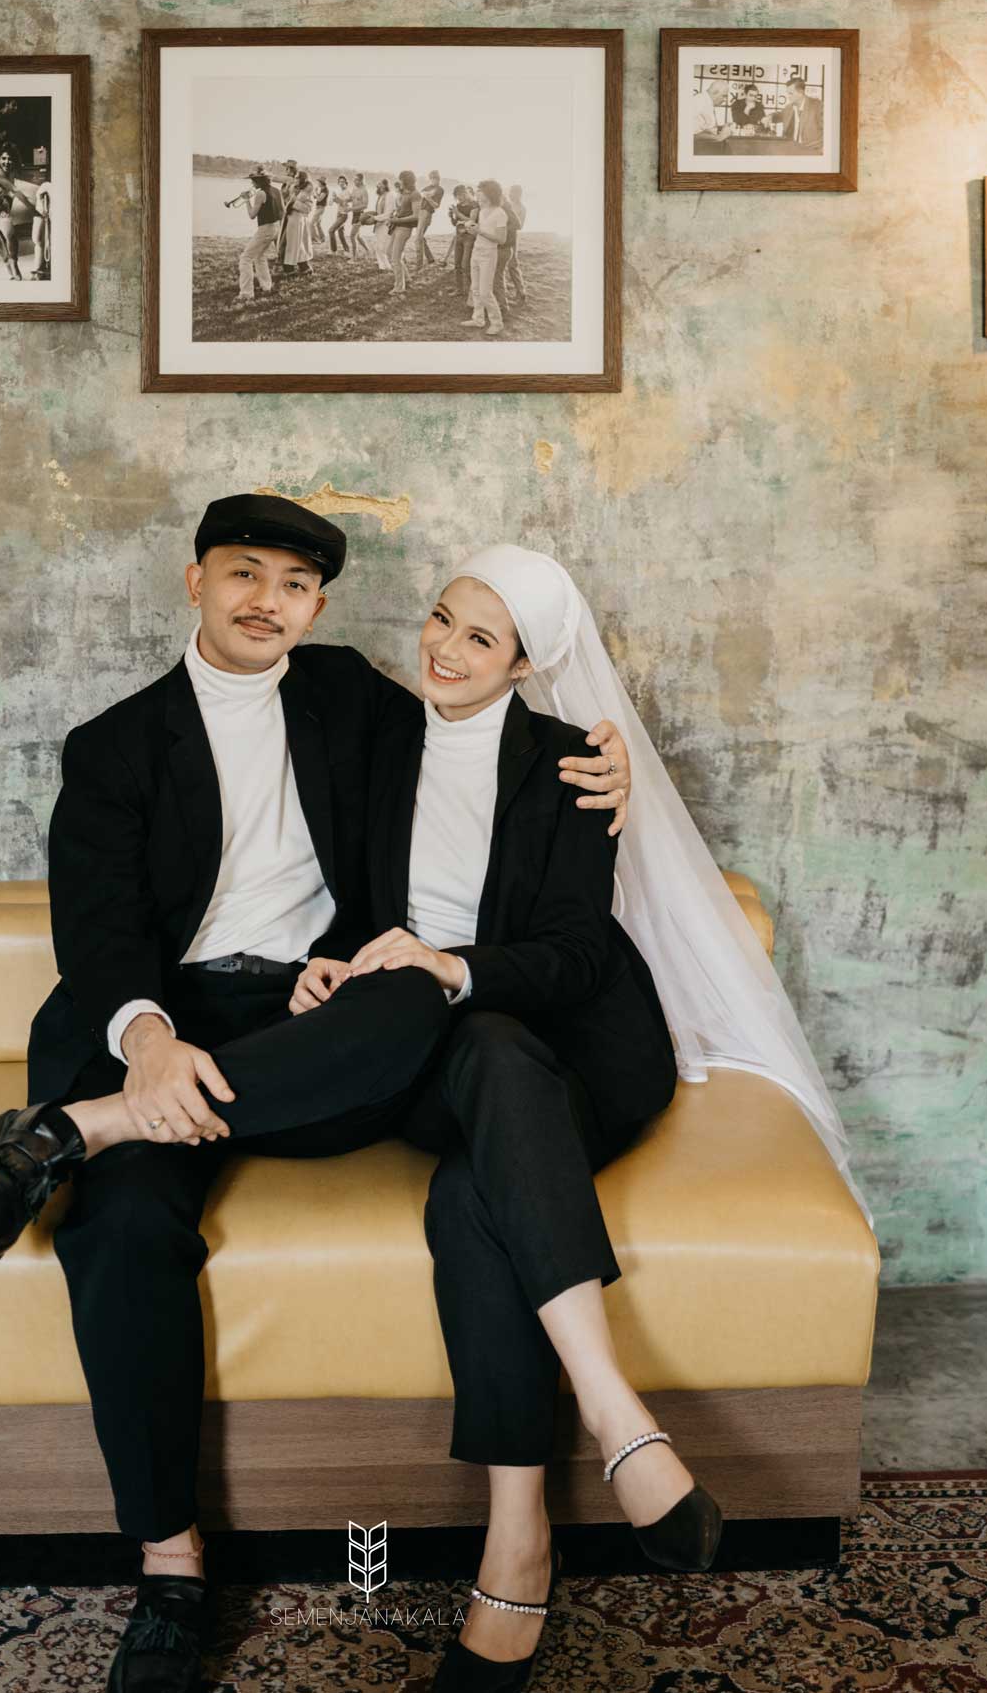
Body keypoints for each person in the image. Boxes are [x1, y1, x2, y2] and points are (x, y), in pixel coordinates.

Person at [0, 499, 636, 1693]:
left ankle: (63, 1137)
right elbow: (98, 936)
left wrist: (599, 761)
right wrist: (147, 1041)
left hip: (318, 1023)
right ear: (195, 581)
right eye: (243, 573)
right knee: (120, 1222)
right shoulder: (112, 747)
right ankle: (170, 1570)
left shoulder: (351, 696)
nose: (268, 601)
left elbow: (484, 731)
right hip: (158, 1017)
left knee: (412, 995)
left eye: (296, 584)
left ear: (317, 607)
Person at [298, 543, 871, 1686]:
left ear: (524, 666)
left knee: (474, 1182)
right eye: (441, 618)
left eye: (480, 639)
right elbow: (355, 898)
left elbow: (568, 955)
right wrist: (332, 962)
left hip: (575, 1047)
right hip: (433, 1053)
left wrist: (451, 966)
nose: (444, 649)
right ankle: (623, 1429)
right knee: (478, 1077)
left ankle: (520, 1541)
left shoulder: (571, 763)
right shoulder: (376, 735)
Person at [0, 150, 41, 279]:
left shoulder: (11, 172)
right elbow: (16, 191)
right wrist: (33, 210)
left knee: (11, 234)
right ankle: (8, 265)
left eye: (10, 159)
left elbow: (12, 194)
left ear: (15, 161)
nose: (6, 162)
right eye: (3, 158)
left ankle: (14, 262)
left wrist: (8, 210)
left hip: (0, 208)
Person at [466, 177, 508, 335]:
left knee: (485, 292)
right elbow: (481, 232)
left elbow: (501, 239)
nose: (478, 195)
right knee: (475, 289)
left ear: (490, 194)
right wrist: (472, 229)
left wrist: (480, 231)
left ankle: (497, 323)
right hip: (476, 251)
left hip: (489, 254)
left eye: (481, 192)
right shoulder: (482, 210)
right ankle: (478, 319)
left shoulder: (500, 213)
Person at [234, 168, 282, 304]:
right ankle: (266, 286)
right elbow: (282, 211)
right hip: (276, 227)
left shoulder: (260, 193)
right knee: (260, 256)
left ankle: (246, 293)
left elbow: (252, 215)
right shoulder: (276, 190)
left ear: (258, 181)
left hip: (266, 229)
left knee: (245, 258)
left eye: (253, 180)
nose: (251, 183)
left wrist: (246, 200)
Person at [388, 169, 420, 294]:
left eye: (401, 179)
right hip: (397, 226)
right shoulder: (404, 193)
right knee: (389, 252)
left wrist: (398, 220)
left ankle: (399, 287)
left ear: (406, 181)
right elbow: (402, 211)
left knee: (395, 258)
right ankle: (406, 277)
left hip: (404, 228)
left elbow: (416, 216)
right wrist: (394, 216)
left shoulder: (415, 194)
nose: (399, 182)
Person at [281, 169, 315, 276]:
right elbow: (286, 199)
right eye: (295, 177)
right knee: (293, 243)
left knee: (295, 244)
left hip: (297, 220)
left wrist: (294, 203)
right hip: (290, 218)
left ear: (302, 179)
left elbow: (308, 209)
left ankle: (291, 268)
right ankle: (302, 267)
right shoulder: (294, 189)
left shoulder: (307, 192)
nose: (295, 179)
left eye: (297, 177)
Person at [776, 76, 824, 147]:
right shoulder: (789, 108)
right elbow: (779, 115)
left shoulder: (817, 106)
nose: (788, 96)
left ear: (801, 92)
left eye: (791, 93)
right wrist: (769, 117)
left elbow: (827, 134)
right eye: (788, 93)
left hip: (811, 150)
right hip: (791, 149)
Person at [448, 184, 477, 297]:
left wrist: (458, 214)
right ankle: (459, 289)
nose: (459, 197)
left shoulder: (474, 205)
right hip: (459, 236)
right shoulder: (458, 206)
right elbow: (455, 223)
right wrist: (451, 216)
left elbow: (472, 221)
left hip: (469, 237)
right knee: (457, 265)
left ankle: (471, 291)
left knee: (466, 265)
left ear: (466, 193)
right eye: (457, 195)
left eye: (461, 194)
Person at [414, 168, 445, 268]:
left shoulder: (440, 190)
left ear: (439, 179)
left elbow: (436, 205)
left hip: (427, 213)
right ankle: (430, 258)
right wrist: (425, 195)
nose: (434, 180)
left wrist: (428, 198)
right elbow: (419, 197)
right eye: (432, 178)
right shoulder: (426, 188)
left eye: (435, 178)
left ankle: (419, 264)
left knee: (418, 238)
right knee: (420, 237)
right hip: (419, 212)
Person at [503, 183, 528, 303]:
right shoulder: (507, 204)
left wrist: (505, 226)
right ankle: (503, 292)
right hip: (501, 235)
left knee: (512, 264)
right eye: (510, 192)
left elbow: (520, 226)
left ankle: (521, 292)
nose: (510, 194)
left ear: (519, 194)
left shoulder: (522, 208)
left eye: (513, 192)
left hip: (512, 237)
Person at [691, 77, 731, 141]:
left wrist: (722, 128)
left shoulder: (706, 101)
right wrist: (718, 137)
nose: (725, 100)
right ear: (715, 92)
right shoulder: (699, 102)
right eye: (724, 96)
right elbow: (691, 134)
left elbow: (705, 127)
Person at [29, 177, 52, 280]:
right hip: (42, 214)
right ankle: (38, 268)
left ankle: (47, 267)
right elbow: (40, 195)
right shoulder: (46, 186)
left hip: (54, 216)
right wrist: (42, 208)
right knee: (37, 240)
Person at [371, 177, 394, 269]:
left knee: (383, 246)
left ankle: (387, 266)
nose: (378, 185)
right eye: (378, 184)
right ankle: (382, 266)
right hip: (378, 223)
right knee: (377, 245)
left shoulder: (390, 195)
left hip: (386, 223)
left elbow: (388, 213)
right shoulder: (380, 196)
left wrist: (375, 218)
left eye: (380, 183)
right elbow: (378, 211)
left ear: (385, 185)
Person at [347, 172, 369, 256]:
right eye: (354, 179)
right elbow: (351, 199)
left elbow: (365, 205)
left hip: (360, 214)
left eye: (356, 180)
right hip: (354, 214)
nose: (354, 181)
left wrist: (351, 209)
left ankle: (354, 257)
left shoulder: (364, 190)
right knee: (358, 236)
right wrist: (341, 200)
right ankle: (368, 251)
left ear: (361, 180)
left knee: (352, 236)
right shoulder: (354, 189)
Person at [327, 174, 351, 254]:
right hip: (339, 213)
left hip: (344, 215)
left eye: (343, 182)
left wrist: (336, 198)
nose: (341, 183)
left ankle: (333, 250)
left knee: (331, 231)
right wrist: (333, 199)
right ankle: (347, 250)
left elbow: (344, 204)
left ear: (346, 183)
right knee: (341, 233)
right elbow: (331, 203)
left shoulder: (347, 192)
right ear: (338, 183)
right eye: (340, 182)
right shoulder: (340, 191)